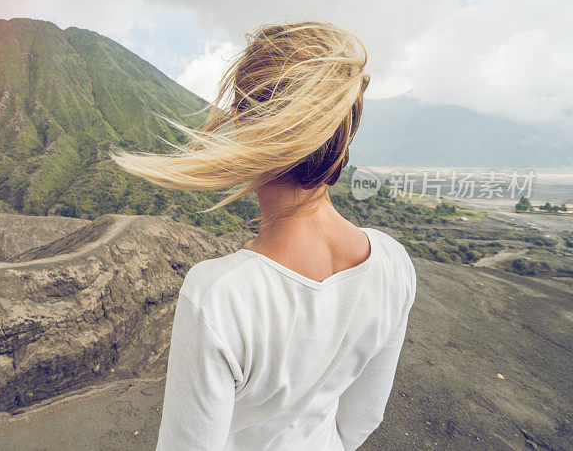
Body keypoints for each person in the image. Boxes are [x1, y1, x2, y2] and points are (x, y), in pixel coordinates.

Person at [111, 22, 417, 450]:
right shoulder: (393, 263)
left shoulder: (219, 296)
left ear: (242, 123)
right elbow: (362, 418)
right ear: (343, 130)